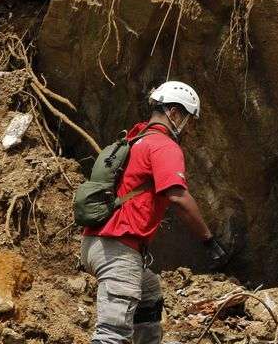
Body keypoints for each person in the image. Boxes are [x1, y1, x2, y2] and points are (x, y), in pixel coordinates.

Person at [80, 81, 227, 344]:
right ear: (174, 112)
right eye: (188, 119)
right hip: (119, 251)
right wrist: (209, 240)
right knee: (111, 336)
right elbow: (178, 197)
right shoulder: (164, 145)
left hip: (95, 244)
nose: (188, 127)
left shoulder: (134, 140)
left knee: (149, 293)